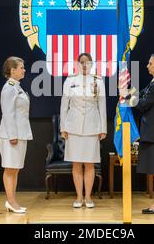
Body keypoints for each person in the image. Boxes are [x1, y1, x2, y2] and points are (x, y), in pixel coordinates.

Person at [122, 53, 154, 214]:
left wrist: (126, 96)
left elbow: (142, 104)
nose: (147, 66)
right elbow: (139, 94)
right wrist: (126, 90)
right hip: (151, 131)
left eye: (150, 63)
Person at [60, 53, 107, 208]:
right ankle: (79, 197)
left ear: (92, 64)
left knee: (89, 164)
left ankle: (88, 197)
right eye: (82, 62)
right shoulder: (70, 80)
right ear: (77, 64)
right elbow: (64, 105)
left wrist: (103, 128)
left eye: (87, 62)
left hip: (92, 127)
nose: (84, 65)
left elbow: (102, 105)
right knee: (76, 163)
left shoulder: (98, 81)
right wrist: (63, 127)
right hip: (73, 126)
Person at [0, 56, 32, 214]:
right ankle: (11, 201)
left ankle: (12, 201)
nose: (24, 70)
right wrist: (12, 135)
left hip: (20, 134)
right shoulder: (9, 88)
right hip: (11, 136)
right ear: (12, 71)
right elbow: (7, 113)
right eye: (21, 67)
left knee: (16, 169)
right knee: (10, 169)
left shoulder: (16, 87)